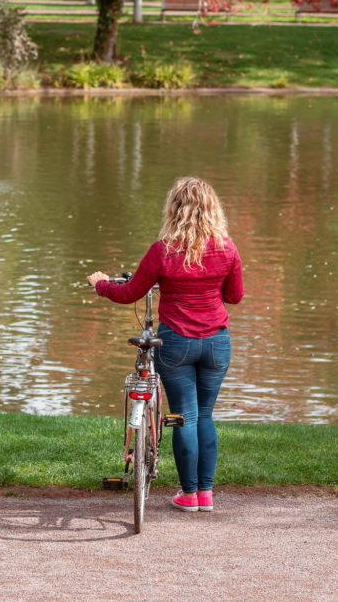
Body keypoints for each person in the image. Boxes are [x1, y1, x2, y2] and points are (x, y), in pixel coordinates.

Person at [86, 175, 244, 513]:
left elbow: (130, 292)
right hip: (217, 342)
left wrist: (100, 284)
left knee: (185, 415)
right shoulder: (227, 248)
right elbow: (235, 296)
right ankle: (205, 495)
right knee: (205, 415)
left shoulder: (164, 251)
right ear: (212, 209)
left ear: (174, 209)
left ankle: (189, 495)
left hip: (177, 342)